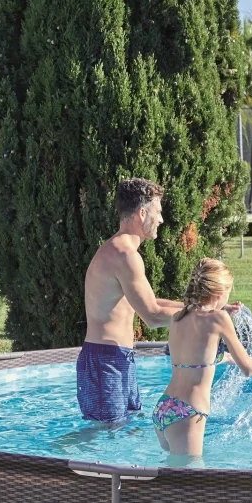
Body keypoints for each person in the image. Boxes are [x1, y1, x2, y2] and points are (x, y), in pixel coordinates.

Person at [153, 258, 252, 458]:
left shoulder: (179, 316)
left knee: (173, 471)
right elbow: (248, 369)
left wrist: (226, 357)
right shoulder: (219, 318)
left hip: (164, 407)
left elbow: (196, 361)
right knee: (190, 475)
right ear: (219, 294)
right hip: (188, 412)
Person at [78, 178, 185, 422]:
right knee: (107, 435)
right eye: (158, 212)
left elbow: (149, 302)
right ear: (142, 213)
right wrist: (204, 315)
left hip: (116, 357)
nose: (161, 219)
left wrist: (201, 307)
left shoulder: (122, 250)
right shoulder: (123, 254)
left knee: (125, 430)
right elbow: (152, 316)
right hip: (106, 361)